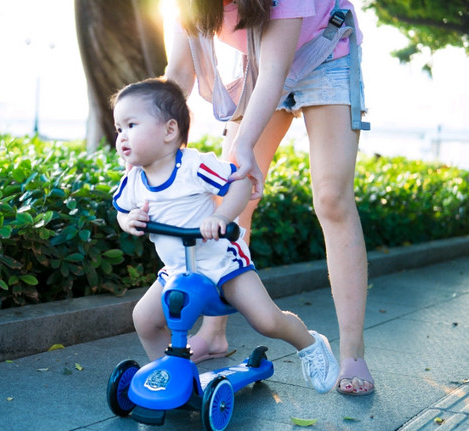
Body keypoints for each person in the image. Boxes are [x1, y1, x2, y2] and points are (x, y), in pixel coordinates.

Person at [164, 0, 374, 395]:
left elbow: (277, 72)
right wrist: (155, 152)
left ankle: (352, 352)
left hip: (326, 50)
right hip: (260, 63)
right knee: (230, 199)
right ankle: (214, 333)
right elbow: (178, 73)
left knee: (331, 198)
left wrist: (244, 147)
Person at [111, 78, 339, 393]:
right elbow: (122, 210)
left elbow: (240, 183)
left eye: (131, 125)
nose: (122, 136)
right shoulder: (134, 179)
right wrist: (129, 220)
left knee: (267, 321)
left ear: (169, 131)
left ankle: (310, 344)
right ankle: (173, 377)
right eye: (118, 128)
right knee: (144, 319)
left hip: (222, 264)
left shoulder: (192, 166)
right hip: (179, 271)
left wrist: (220, 216)